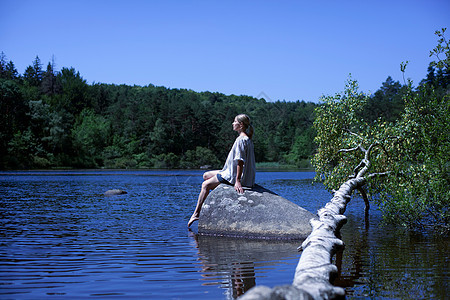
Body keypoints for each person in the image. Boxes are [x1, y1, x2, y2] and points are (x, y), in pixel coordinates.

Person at [188, 114, 256, 227]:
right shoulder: (247, 138)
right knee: (206, 175)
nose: (232, 123)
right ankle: (217, 194)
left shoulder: (241, 140)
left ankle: (196, 214)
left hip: (234, 175)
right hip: (231, 171)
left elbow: (240, 161)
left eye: (235, 121)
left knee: (205, 185)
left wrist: (237, 181)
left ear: (241, 125)